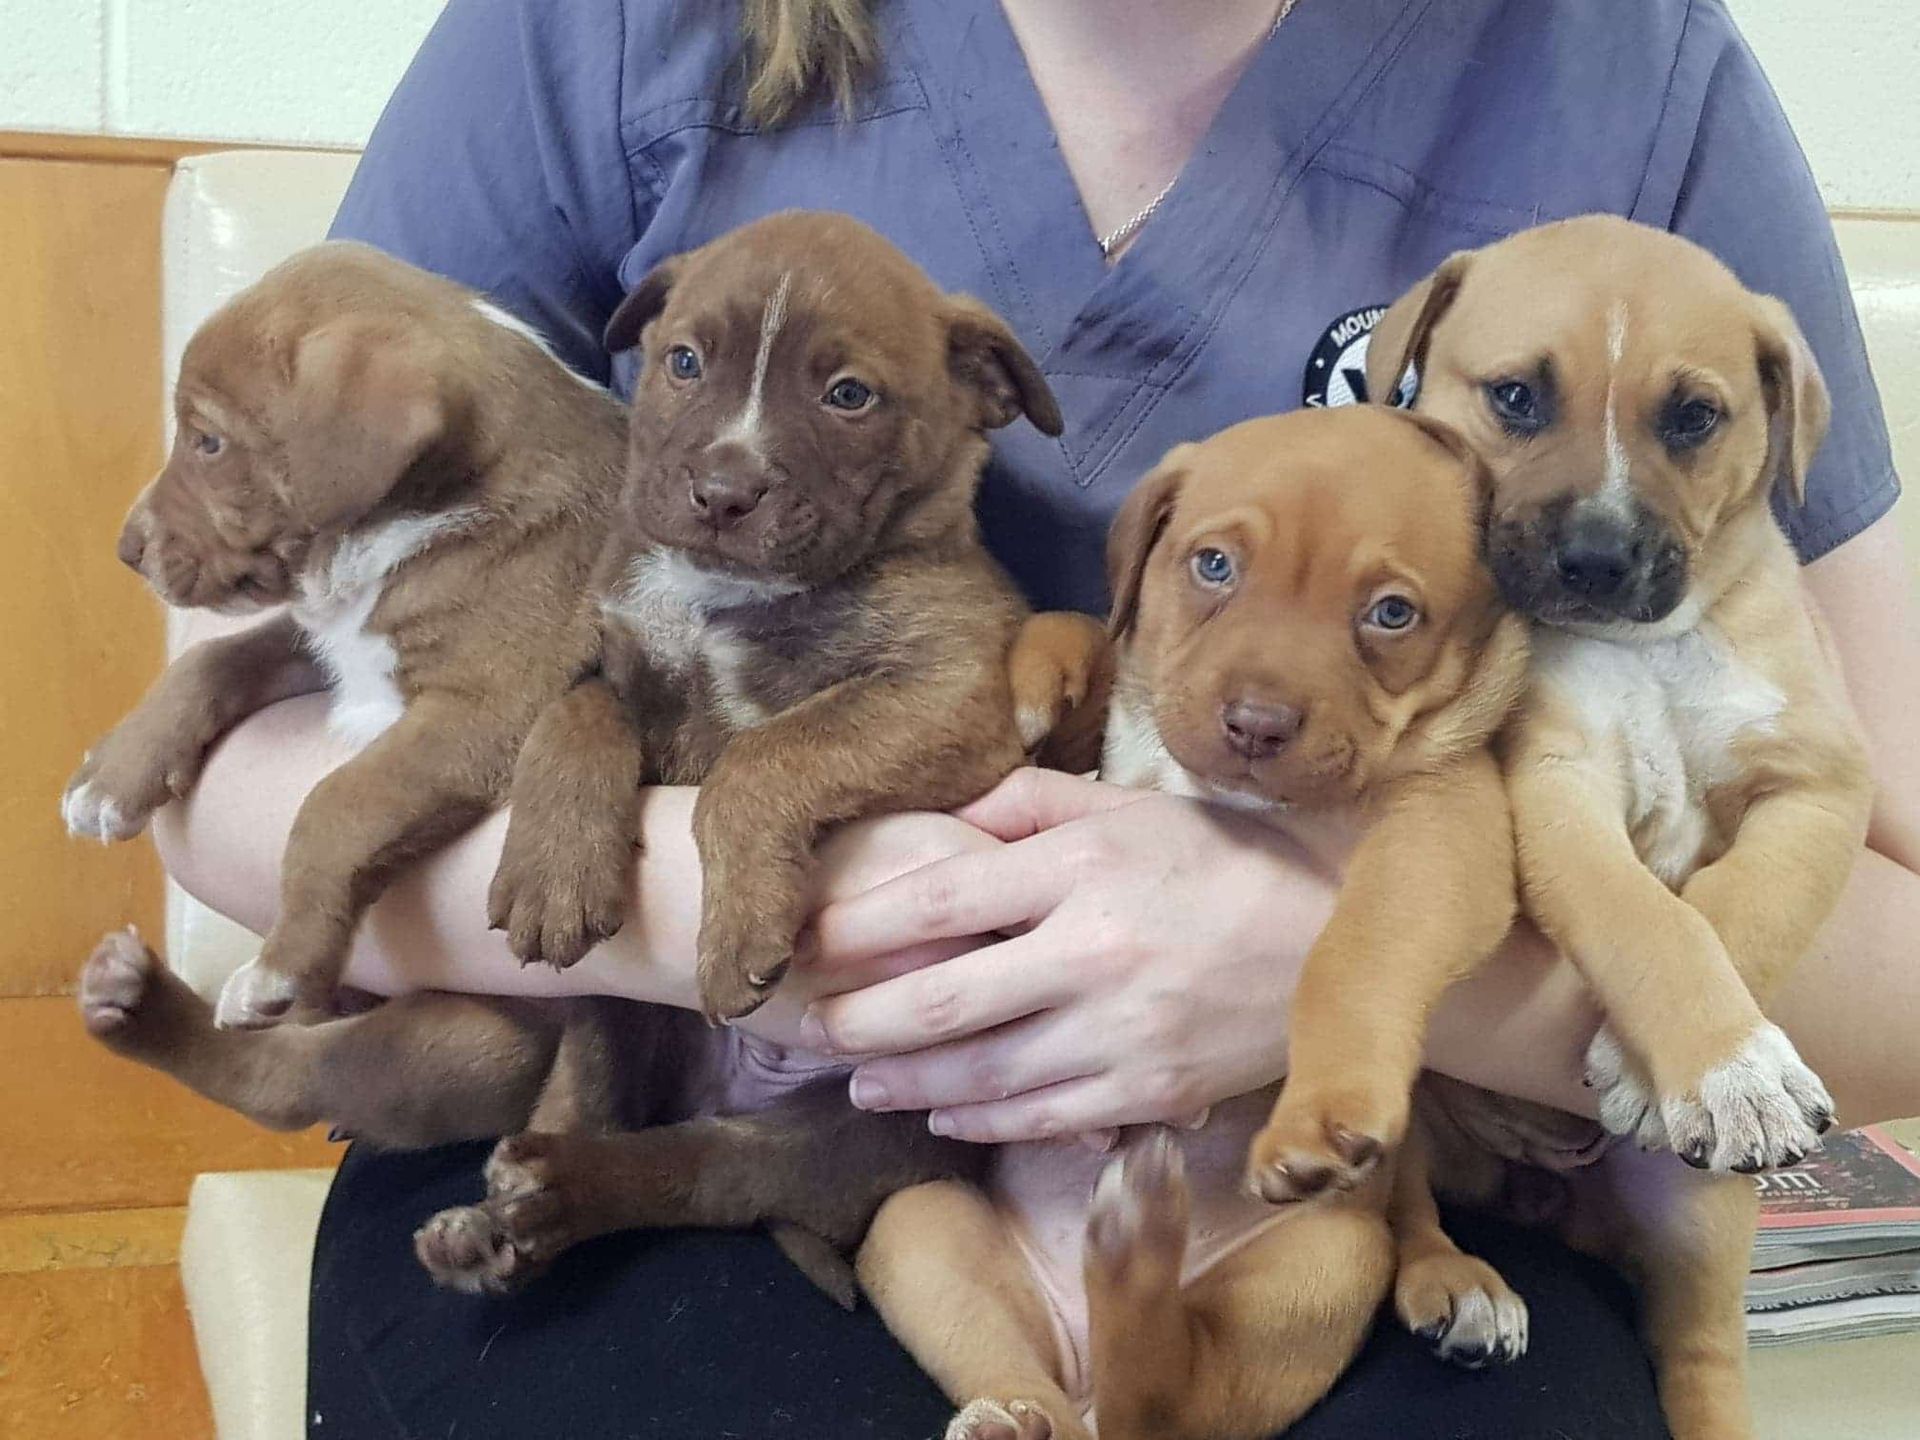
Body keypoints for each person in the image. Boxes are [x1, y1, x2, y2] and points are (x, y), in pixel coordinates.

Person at [153, 1, 1920, 1435]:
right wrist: (788, 909)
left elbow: (1894, 932)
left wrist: (1344, 968)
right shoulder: (605, 31)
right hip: (640, 1073)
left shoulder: (1631, 74)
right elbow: (226, 775)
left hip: (1329, 1165)